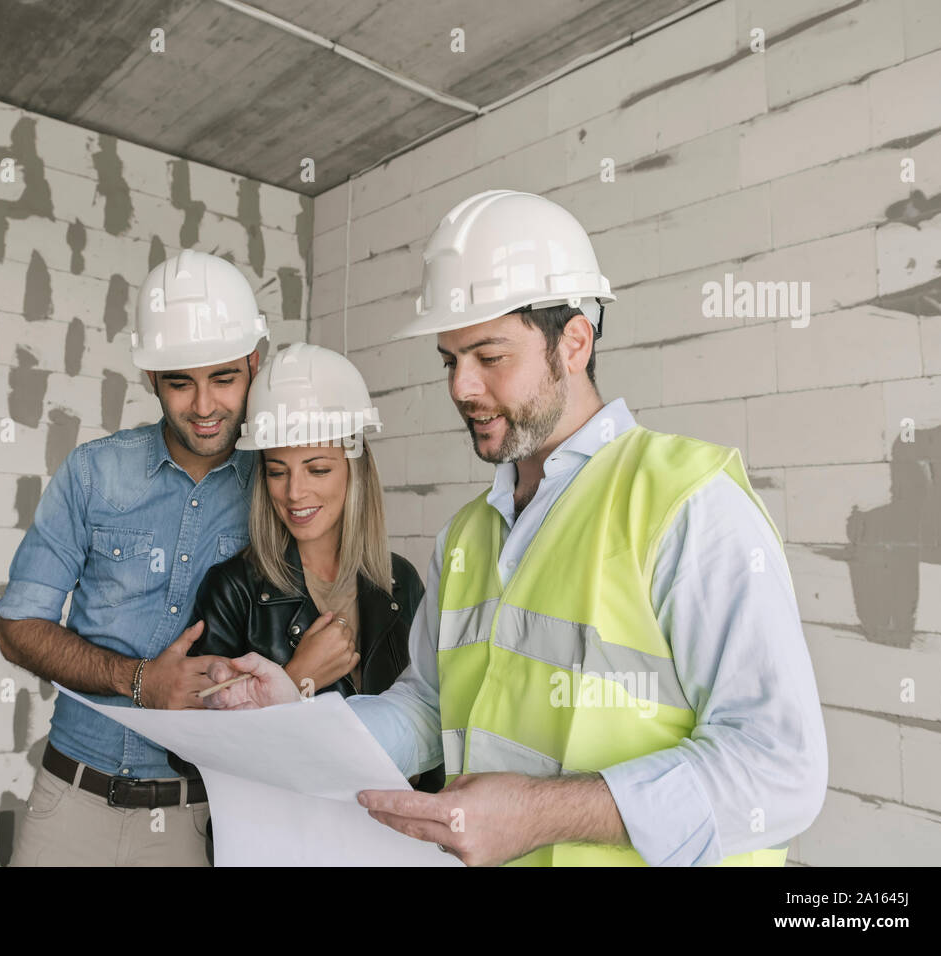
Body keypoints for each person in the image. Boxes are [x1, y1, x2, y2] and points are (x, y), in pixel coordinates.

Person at [203, 190, 829, 867]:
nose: (461, 388)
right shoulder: (469, 535)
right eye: (450, 360)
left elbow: (779, 769)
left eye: (488, 356)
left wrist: (537, 812)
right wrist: (301, 724)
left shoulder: (687, 503)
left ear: (575, 342)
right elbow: (424, 710)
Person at [0, 249, 266, 866]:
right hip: (72, 798)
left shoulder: (275, 489)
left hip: (200, 817)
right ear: (151, 378)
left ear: (255, 361)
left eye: (223, 378)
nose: (203, 406)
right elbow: (18, 628)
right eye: (179, 381)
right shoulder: (94, 474)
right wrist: (140, 682)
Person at [169, 343, 442, 861]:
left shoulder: (399, 583)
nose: (294, 493)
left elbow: (426, 724)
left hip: (383, 846)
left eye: (317, 469)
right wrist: (296, 682)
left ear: (354, 471)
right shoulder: (234, 589)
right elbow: (188, 753)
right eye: (277, 470)